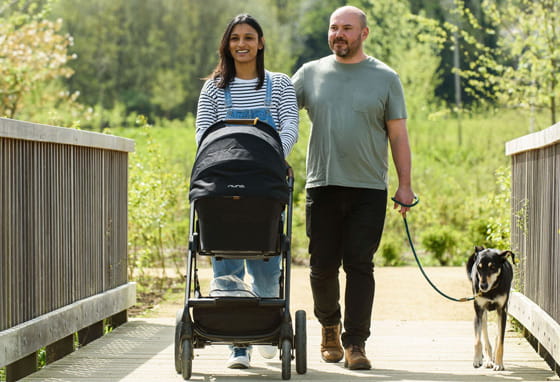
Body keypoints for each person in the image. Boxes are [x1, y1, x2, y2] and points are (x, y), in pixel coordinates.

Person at [291, 5, 415, 370]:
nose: (338, 34)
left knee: (360, 266)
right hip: (323, 185)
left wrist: (405, 185)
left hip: (369, 189)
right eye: (333, 28)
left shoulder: (386, 78)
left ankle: (356, 343)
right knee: (322, 267)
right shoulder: (310, 74)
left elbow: (398, 134)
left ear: (364, 33)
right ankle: (330, 326)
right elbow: (279, 113)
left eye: (346, 28)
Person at [195, 13, 298, 369]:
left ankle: (266, 326)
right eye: (235, 38)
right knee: (226, 257)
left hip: (265, 181)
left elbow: (289, 126)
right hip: (222, 182)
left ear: (261, 42)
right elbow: (204, 134)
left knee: (266, 264)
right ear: (227, 44)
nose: (242, 44)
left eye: (249, 37)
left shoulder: (279, 84)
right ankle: (238, 344)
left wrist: (272, 159)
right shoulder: (213, 88)